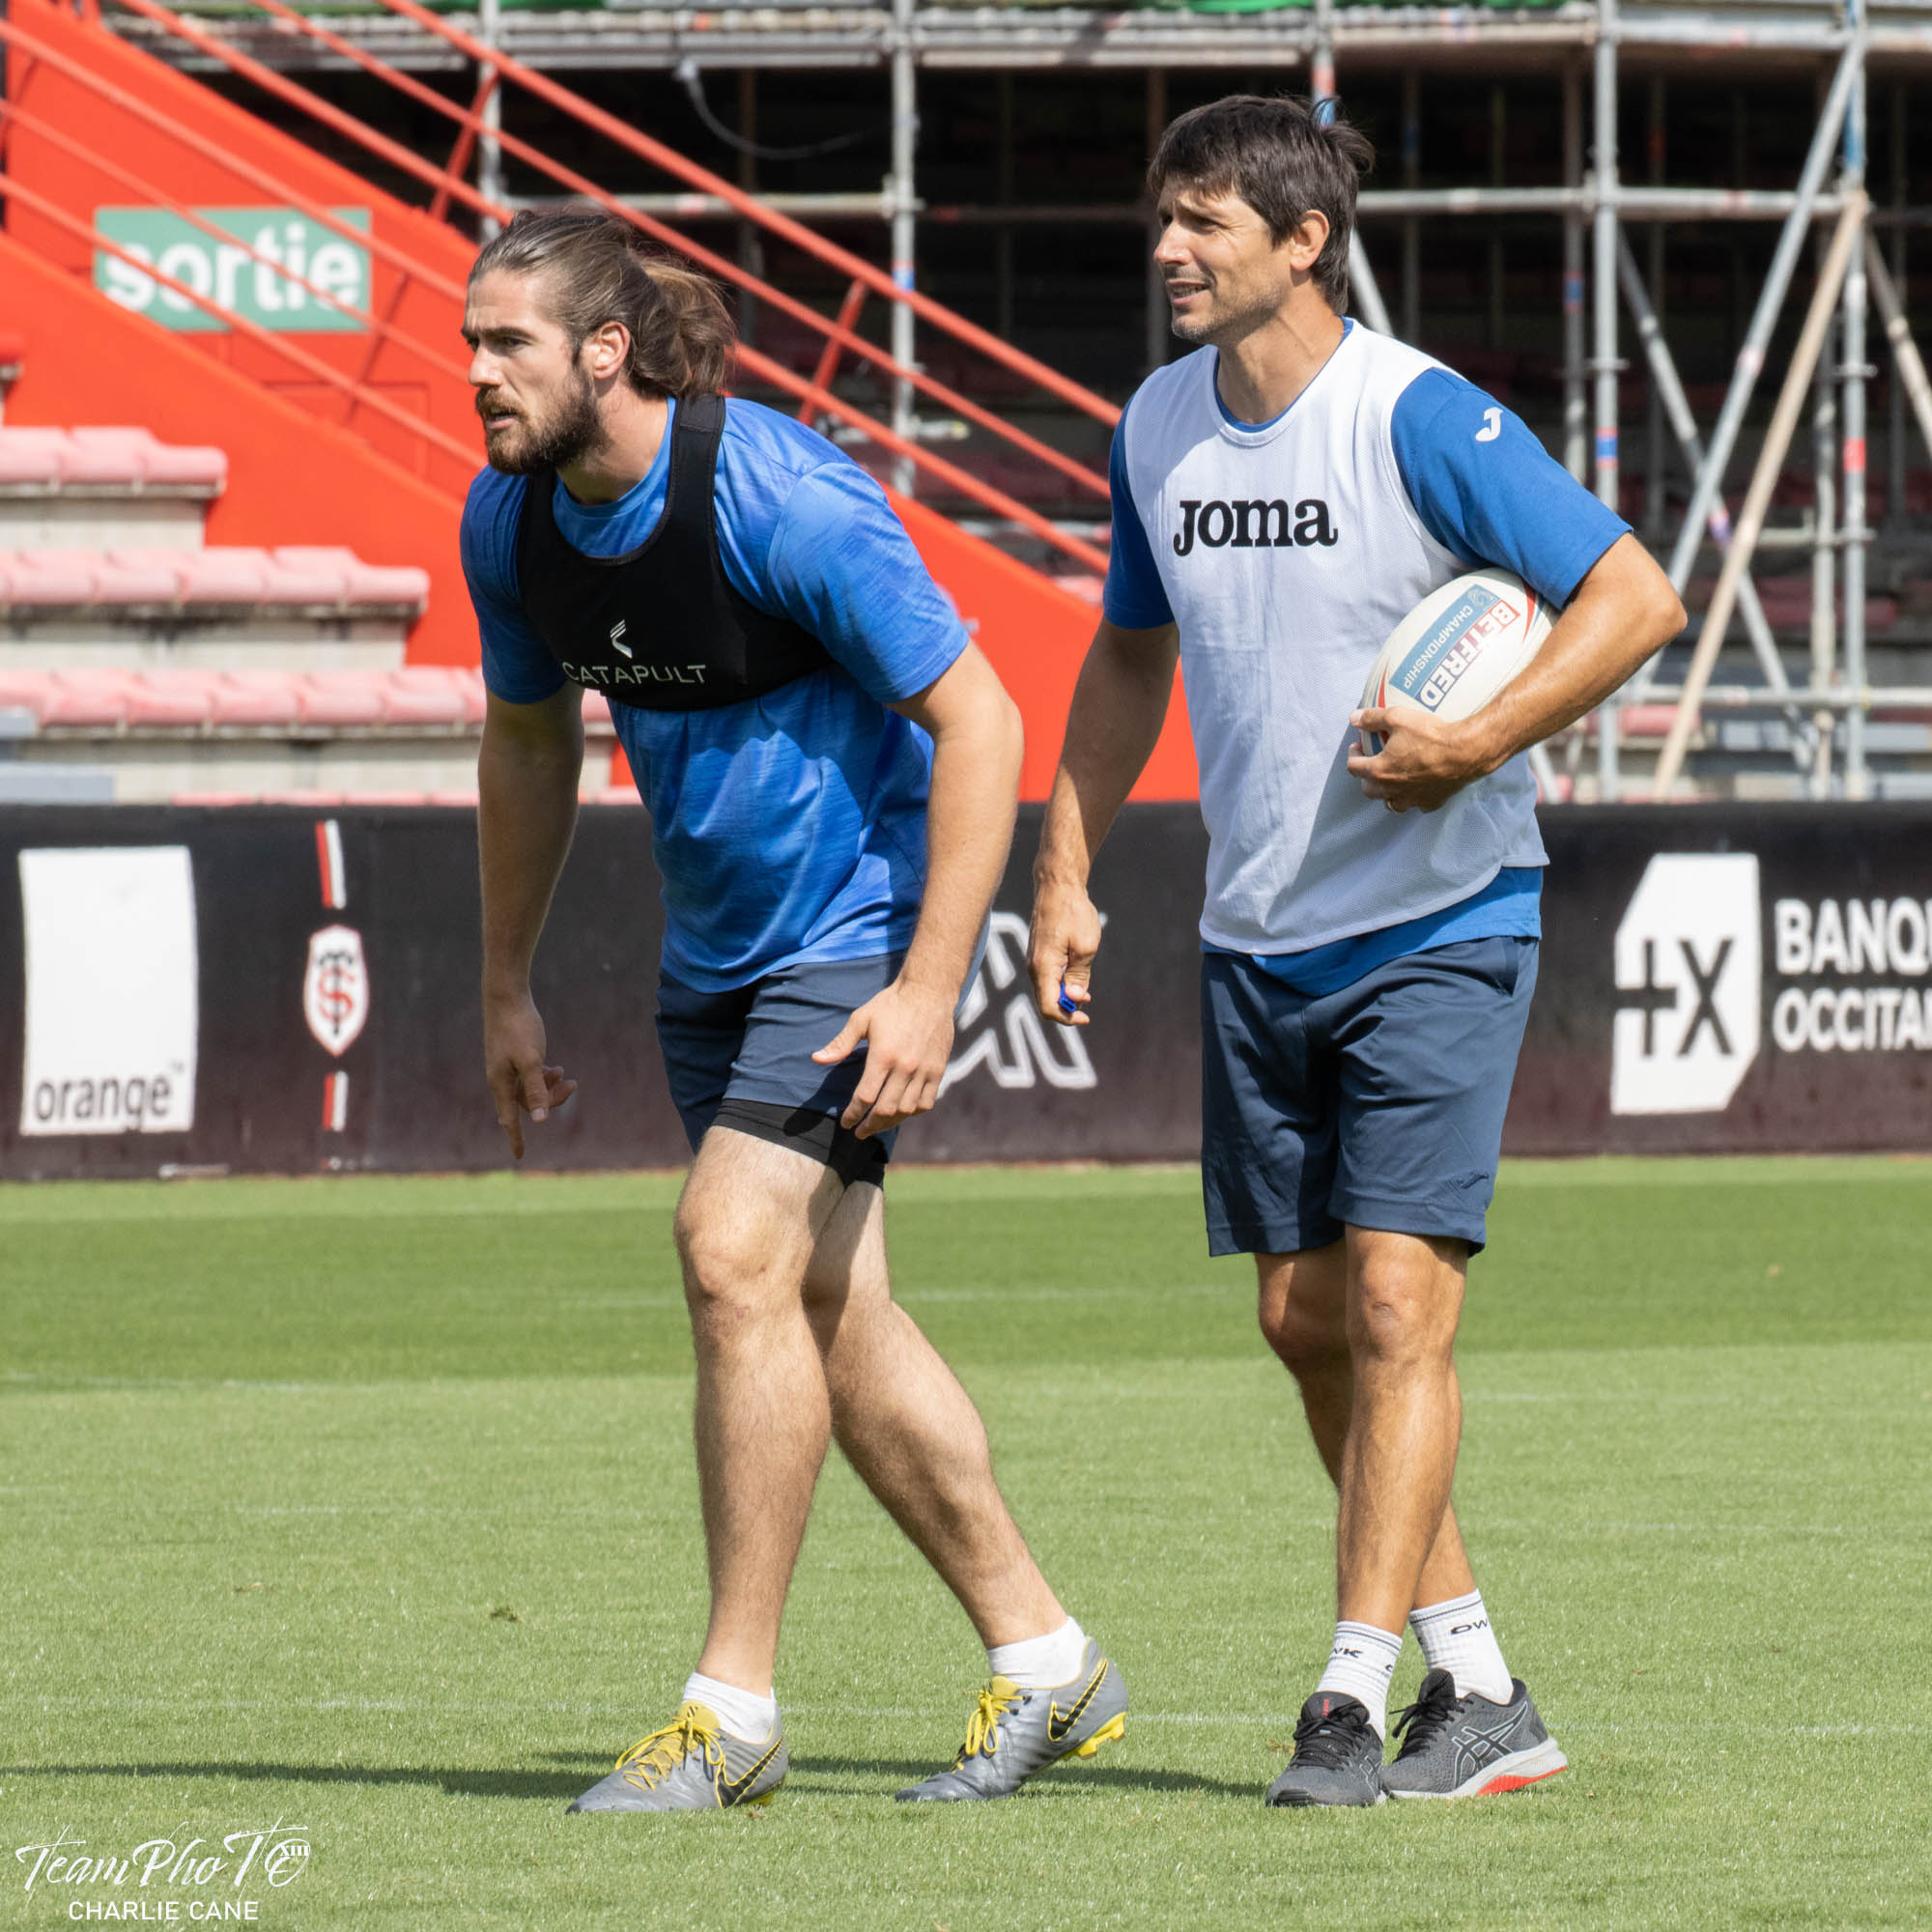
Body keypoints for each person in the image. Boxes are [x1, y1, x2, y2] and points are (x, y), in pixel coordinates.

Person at [1027, 97, 1684, 1807]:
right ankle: (1482, 1686)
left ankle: (1348, 1694)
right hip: (1257, 937)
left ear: (1304, 242)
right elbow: (1128, 653)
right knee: (1303, 1320)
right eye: (1165, 217)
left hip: (1443, 921)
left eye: (1205, 220)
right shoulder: (1156, 426)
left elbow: (1636, 596)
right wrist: (1067, 861)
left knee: (1397, 1303)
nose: (1169, 249)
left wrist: (1479, 744)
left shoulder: (1419, 415)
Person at [461, 205, 1126, 1813]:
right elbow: (531, 741)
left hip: (856, 936)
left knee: (726, 1246)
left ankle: (732, 1711)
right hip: (715, 959)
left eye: (507, 343)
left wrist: (928, 988)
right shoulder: (510, 523)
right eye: (470, 342)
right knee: (829, 1310)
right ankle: (1048, 1660)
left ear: (604, 351)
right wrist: (503, 981)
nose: (476, 371)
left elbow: (981, 718)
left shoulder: (782, 496)